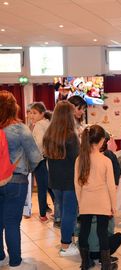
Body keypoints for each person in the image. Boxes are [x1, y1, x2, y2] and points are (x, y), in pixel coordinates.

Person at [0, 90, 42, 269]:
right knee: (11, 222)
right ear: (13, 107)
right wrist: (27, 170)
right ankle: (15, 262)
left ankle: (1, 257)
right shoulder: (20, 128)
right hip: (16, 180)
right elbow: (35, 156)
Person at [74, 125, 117, 270]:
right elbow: (111, 186)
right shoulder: (106, 161)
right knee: (102, 232)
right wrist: (113, 205)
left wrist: (80, 202)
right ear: (100, 141)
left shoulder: (80, 159)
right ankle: (105, 265)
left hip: (86, 201)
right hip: (103, 202)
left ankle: (85, 263)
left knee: (84, 231)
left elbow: (77, 185)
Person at [43, 101, 80, 257]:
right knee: (69, 213)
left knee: (64, 212)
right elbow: (78, 158)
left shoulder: (49, 134)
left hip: (55, 181)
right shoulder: (71, 136)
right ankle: (66, 245)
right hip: (70, 181)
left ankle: (68, 240)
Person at [30, 102, 53, 222]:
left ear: (42, 114)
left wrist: (33, 158)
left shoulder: (39, 125)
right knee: (49, 185)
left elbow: (38, 144)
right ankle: (54, 210)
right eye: (30, 113)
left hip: (40, 160)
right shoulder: (48, 123)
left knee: (42, 188)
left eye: (34, 113)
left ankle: (43, 214)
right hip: (49, 159)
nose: (31, 115)